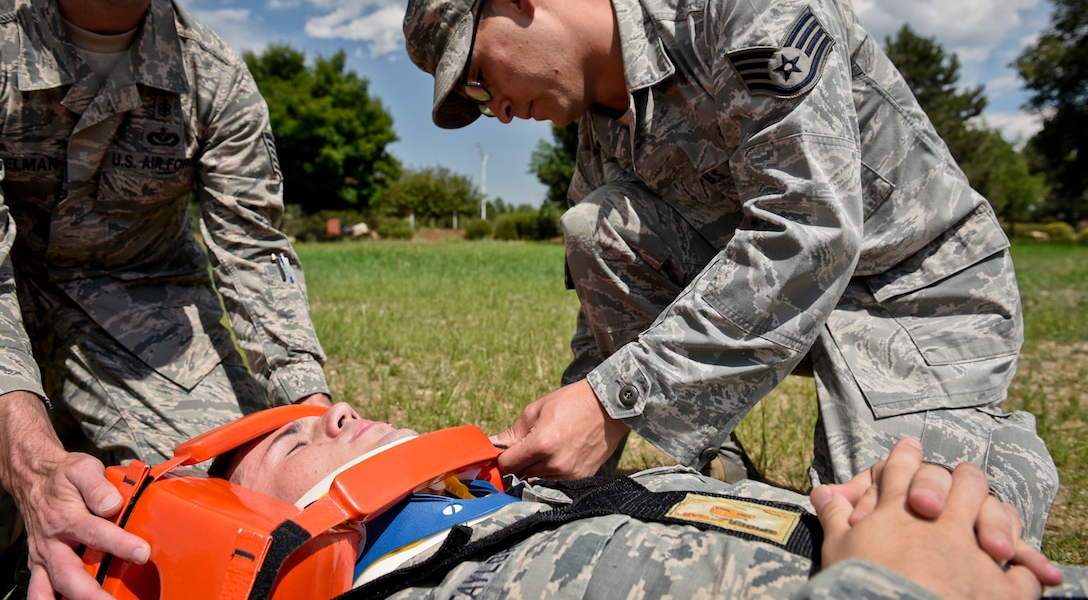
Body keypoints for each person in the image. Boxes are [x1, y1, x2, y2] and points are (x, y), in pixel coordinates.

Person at [401, 0, 1058, 545]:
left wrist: (614, 402)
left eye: (481, 81)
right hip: (787, 307)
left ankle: (994, 451)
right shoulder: (600, 136)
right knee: (596, 223)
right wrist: (554, 454)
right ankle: (711, 458)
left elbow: (811, 232)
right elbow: (601, 311)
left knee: (893, 539)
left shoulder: (750, 7)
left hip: (912, 296)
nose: (501, 113)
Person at [0, 0, 332, 597]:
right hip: (6, 302)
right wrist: (29, 459)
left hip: (140, 312)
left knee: (242, 513)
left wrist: (311, 413)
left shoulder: (213, 79)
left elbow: (254, 250)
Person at [219, 402, 1087, 599]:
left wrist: (895, 511)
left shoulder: (534, 500)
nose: (331, 410)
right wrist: (897, 585)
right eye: (294, 443)